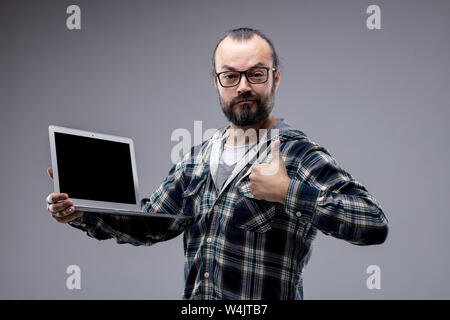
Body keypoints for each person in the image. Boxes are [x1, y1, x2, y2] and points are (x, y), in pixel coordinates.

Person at [45, 27, 389, 300]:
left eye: (256, 74)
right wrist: (83, 212)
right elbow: (153, 224)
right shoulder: (195, 159)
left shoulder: (295, 154)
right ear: (216, 82)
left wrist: (288, 191)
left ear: (275, 79)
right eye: (230, 76)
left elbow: (373, 223)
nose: (243, 86)